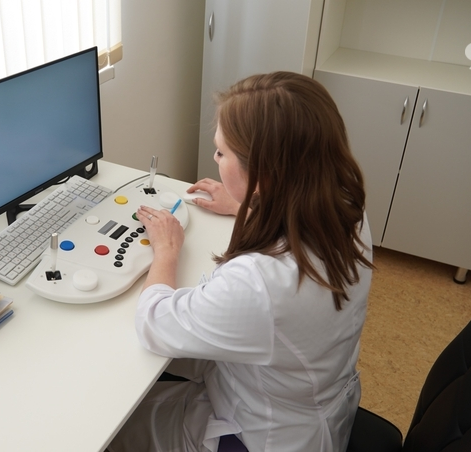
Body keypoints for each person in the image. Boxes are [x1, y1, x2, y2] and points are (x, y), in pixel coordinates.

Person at [107, 71, 374, 452]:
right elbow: (292, 225)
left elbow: (154, 323)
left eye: (221, 153)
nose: (215, 159)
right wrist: (244, 204)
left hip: (258, 435)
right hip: (300, 394)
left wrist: (166, 249)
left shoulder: (260, 283)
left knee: (110, 427)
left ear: (263, 176)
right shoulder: (346, 206)